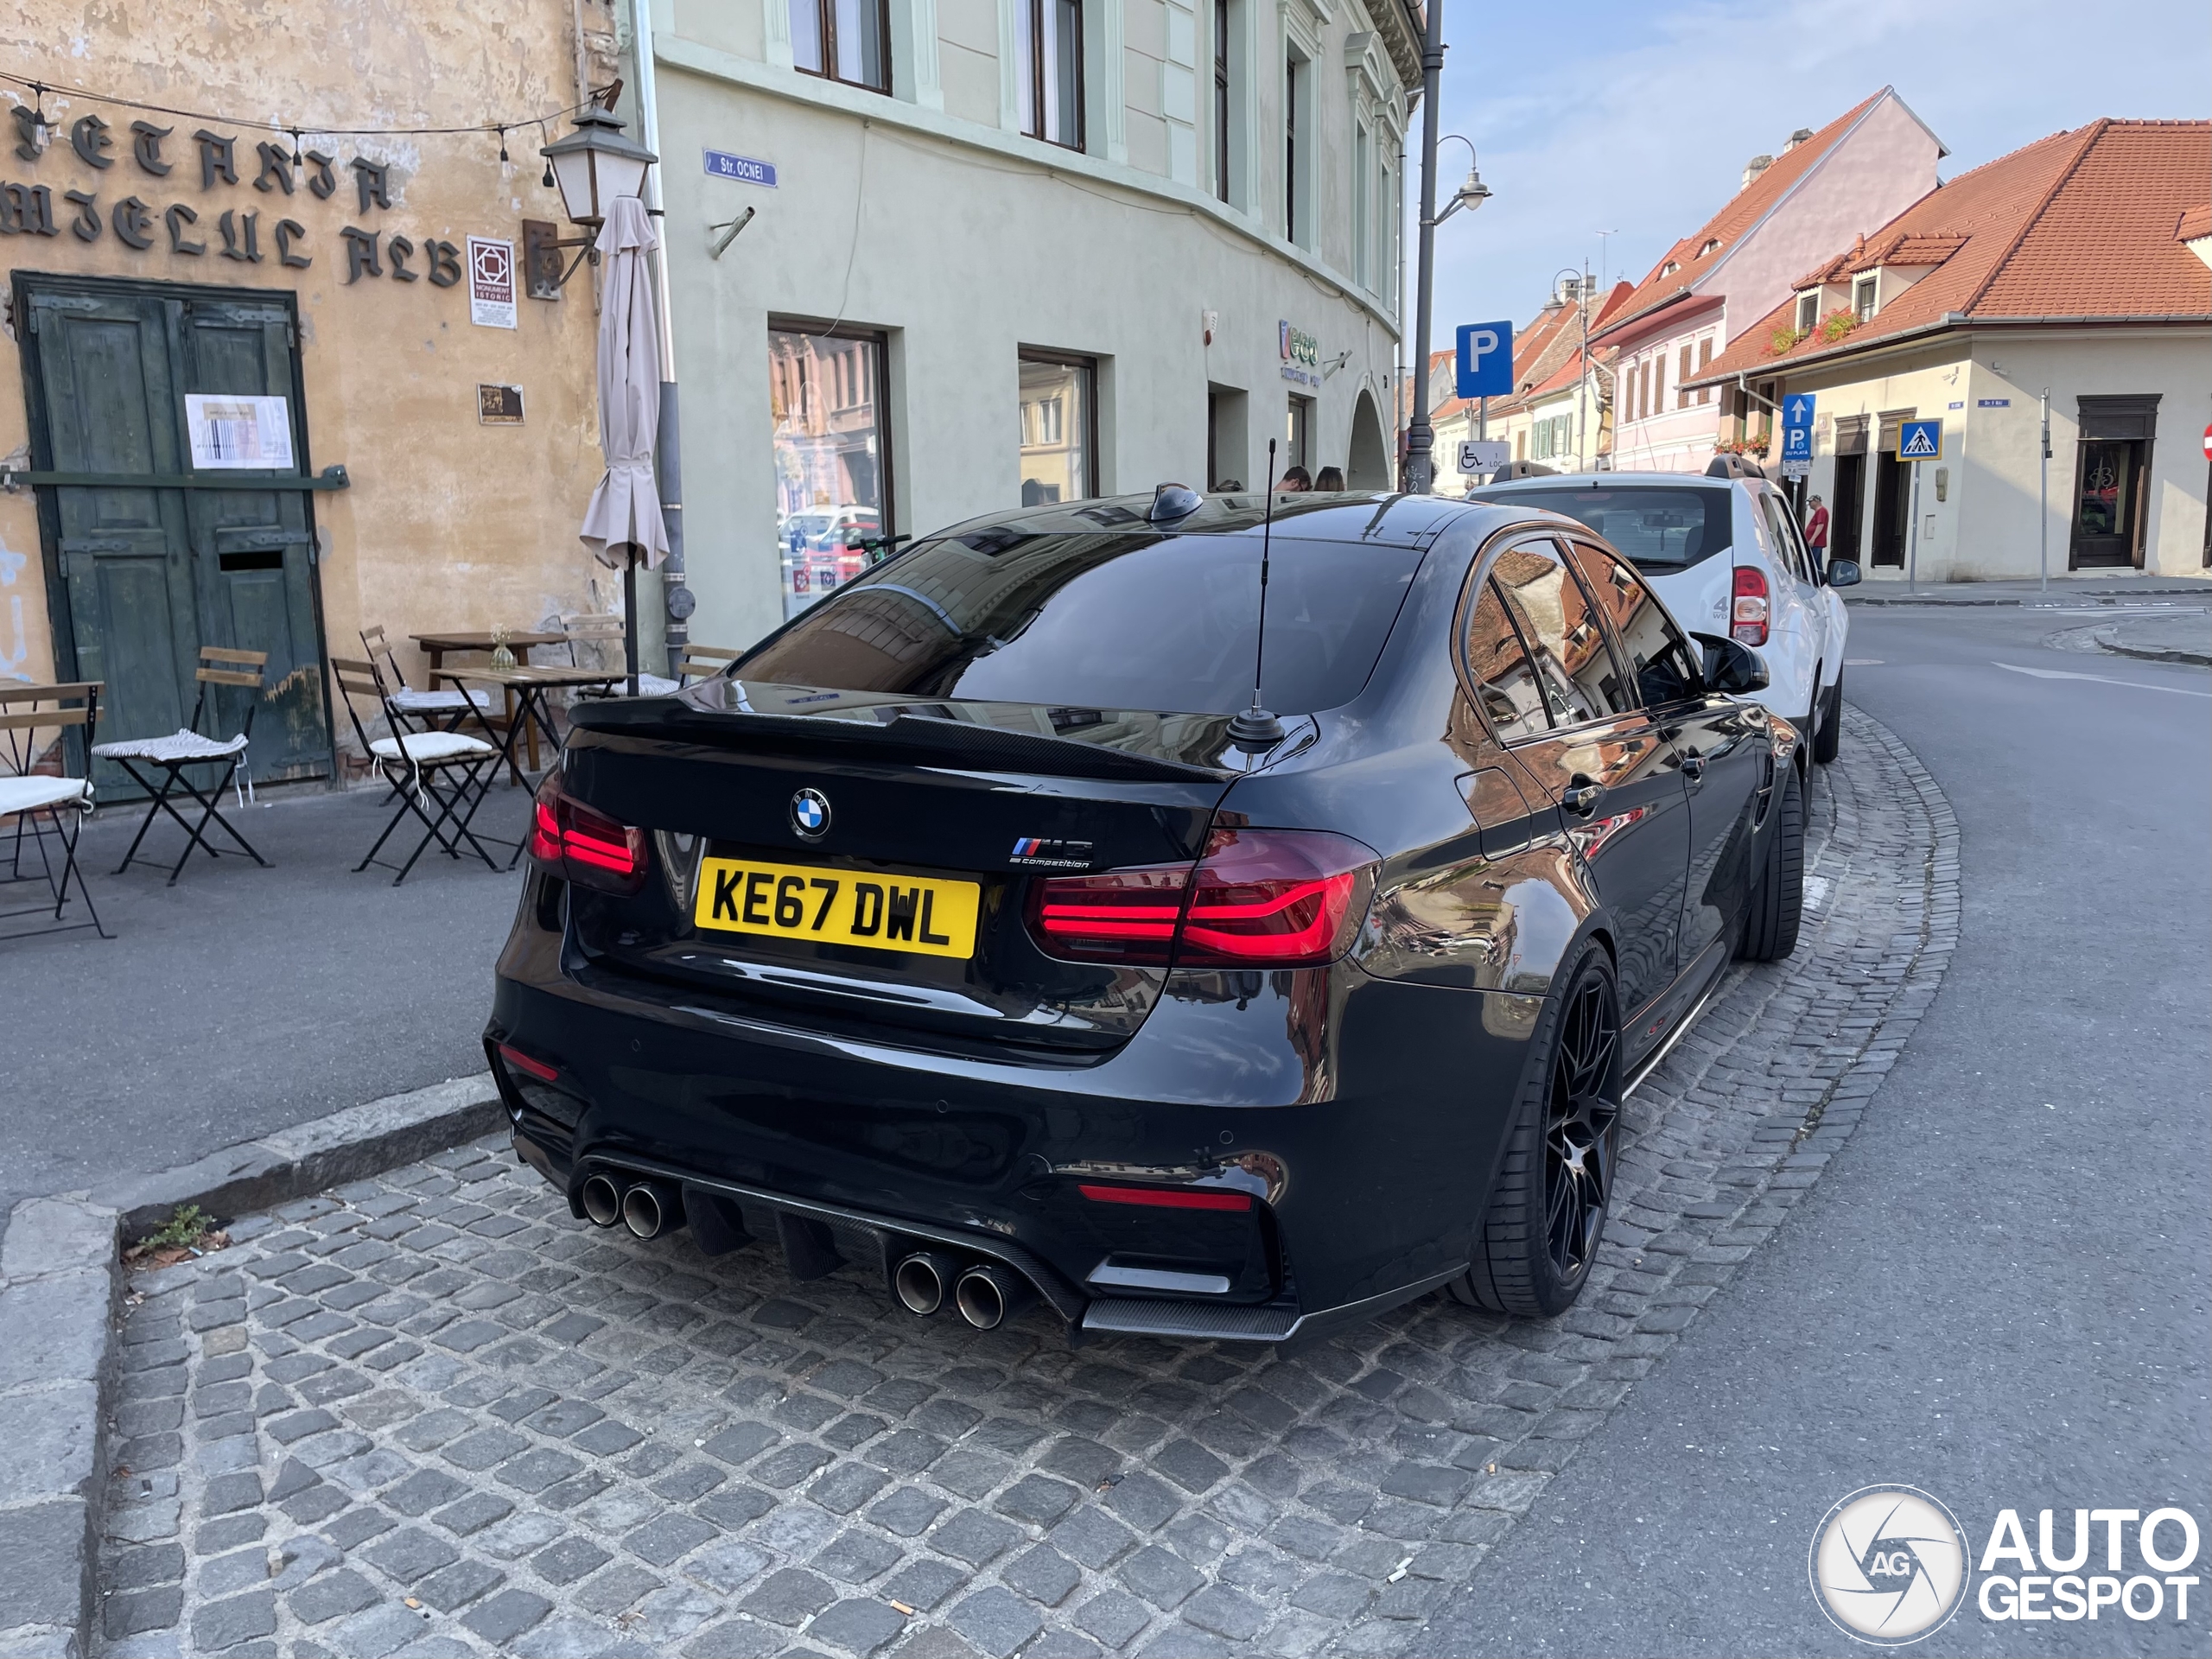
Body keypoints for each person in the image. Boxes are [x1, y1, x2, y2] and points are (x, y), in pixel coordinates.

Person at [1803, 494, 1830, 562]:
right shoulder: (1819, 511)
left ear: (1816, 501)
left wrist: (1812, 539)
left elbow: (1820, 525)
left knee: (1812, 561)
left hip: (1816, 543)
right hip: (1815, 543)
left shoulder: (1821, 511)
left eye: (1810, 502)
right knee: (1817, 563)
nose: (1809, 504)